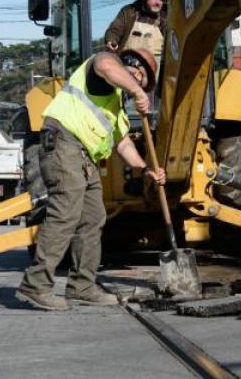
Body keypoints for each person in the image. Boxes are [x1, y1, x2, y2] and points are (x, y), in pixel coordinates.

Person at [16, 47, 166, 311]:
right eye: (141, 80)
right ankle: (36, 285)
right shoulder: (101, 65)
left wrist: (146, 169)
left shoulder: (115, 109)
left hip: (84, 157)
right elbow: (107, 67)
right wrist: (138, 90)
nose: (139, 90)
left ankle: (82, 285)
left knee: (93, 218)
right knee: (65, 213)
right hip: (64, 143)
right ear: (134, 67)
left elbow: (123, 145)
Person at [104, 0, 167, 65]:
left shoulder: (165, 16)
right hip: (128, 65)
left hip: (156, 67)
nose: (158, 2)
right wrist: (111, 41)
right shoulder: (129, 12)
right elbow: (115, 29)